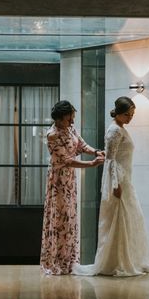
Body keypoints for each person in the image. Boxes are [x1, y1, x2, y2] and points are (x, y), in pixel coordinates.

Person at [73, 97, 149, 277]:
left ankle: (129, 259)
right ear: (118, 112)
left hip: (126, 180)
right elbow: (110, 160)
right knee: (119, 220)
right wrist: (115, 185)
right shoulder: (114, 131)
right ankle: (117, 262)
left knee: (129, 219)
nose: (130, 118)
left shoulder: (121, 129)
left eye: (132, 115)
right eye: (127, 114)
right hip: (119, 182)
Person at [41, 100, 105, 275]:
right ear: (60, 118)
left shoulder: (70, 129)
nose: (72, 121)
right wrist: (91, 164)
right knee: (60, 218)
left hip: (69, 180)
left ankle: (69, 261)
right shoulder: (52, 135)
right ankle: (56, 261)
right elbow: (66, 160)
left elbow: (81, 145)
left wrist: (96, 151)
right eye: (70, 118)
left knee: (69, 219)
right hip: (58, 181)